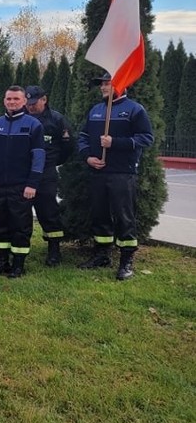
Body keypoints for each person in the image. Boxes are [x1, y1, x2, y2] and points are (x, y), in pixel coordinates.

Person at [77, 72, 154, 280]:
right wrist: (88, 157)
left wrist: (115, 143)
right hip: (97, 171)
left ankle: (126, 260)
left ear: (122, 84)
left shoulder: (135, 110)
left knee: (124, 216)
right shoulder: (96, 110)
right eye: (102, 84)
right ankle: (101, 254)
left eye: (107, 84)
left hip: (122, 172)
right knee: (99, 214)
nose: (103, 87)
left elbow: (146, 138)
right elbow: (83, 137)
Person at [0, 86, 46, 278]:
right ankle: (1, 260)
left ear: (24, 101)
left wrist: (32, 183)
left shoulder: (33, 125)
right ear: (4, 101)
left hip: (22, 186)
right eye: (9, 99)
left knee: (20, 225)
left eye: (16, 99)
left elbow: (39, 157)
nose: (12, 102)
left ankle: (18, 264)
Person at [25, 85, 74, 266]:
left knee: (48, 211)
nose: (30, 106)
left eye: (34, 102)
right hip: (24, 172)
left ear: (44, 99)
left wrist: (52, 161)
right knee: (22, 212)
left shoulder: (56, 120)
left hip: (46, 173)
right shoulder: (21, 117)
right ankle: (22, 247)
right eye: (27, 102)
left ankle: (54, 250)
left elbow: (68, 147)